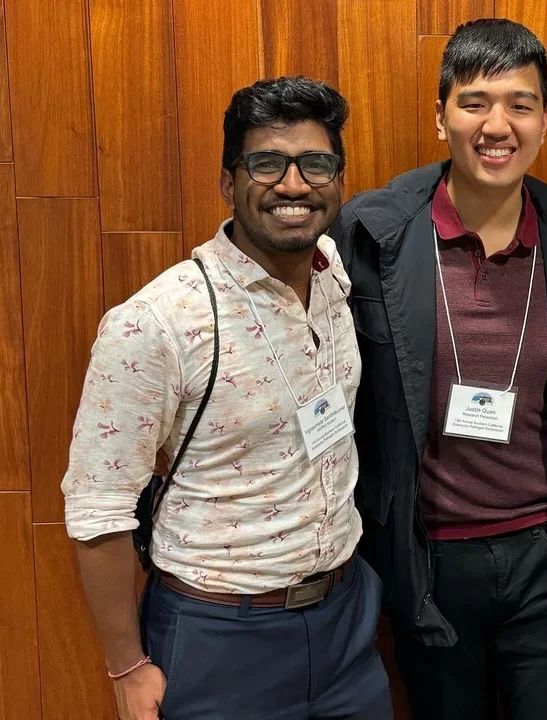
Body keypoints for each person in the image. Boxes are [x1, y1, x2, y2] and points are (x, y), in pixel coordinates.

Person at [61, 76, 392, 720]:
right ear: (227, 181)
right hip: (219, 636)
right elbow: (98, 508)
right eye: (266, 163)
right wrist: (127, 668)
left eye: (315, 164)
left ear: (338, 178)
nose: (293, 185)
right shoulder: (155, 323)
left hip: (346, 621)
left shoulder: (332, 273)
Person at [332, 18, 547, 720]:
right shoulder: (371, 235)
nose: (498, 124)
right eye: (475, 101)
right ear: (440, 115)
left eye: (521, 103)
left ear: (545, 119)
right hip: (429, 563)